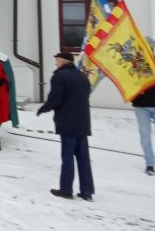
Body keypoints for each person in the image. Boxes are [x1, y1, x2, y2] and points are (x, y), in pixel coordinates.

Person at [37, 52, 95, 202]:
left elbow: (55, 98)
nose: (56, 63)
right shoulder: (82, 76)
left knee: (67, 156)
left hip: (68, 122)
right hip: (82, 122)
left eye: (57, 61)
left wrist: (44, 108)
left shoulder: (59, 77)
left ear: (62, 62)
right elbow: (86, 92)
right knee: (83, 158)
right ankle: (86, 191)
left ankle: (66, 189)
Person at [131, 40, 155, 176]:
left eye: (150, 48)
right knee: (145, 136)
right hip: (141, 106)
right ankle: (150, 164)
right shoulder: (135, 66)